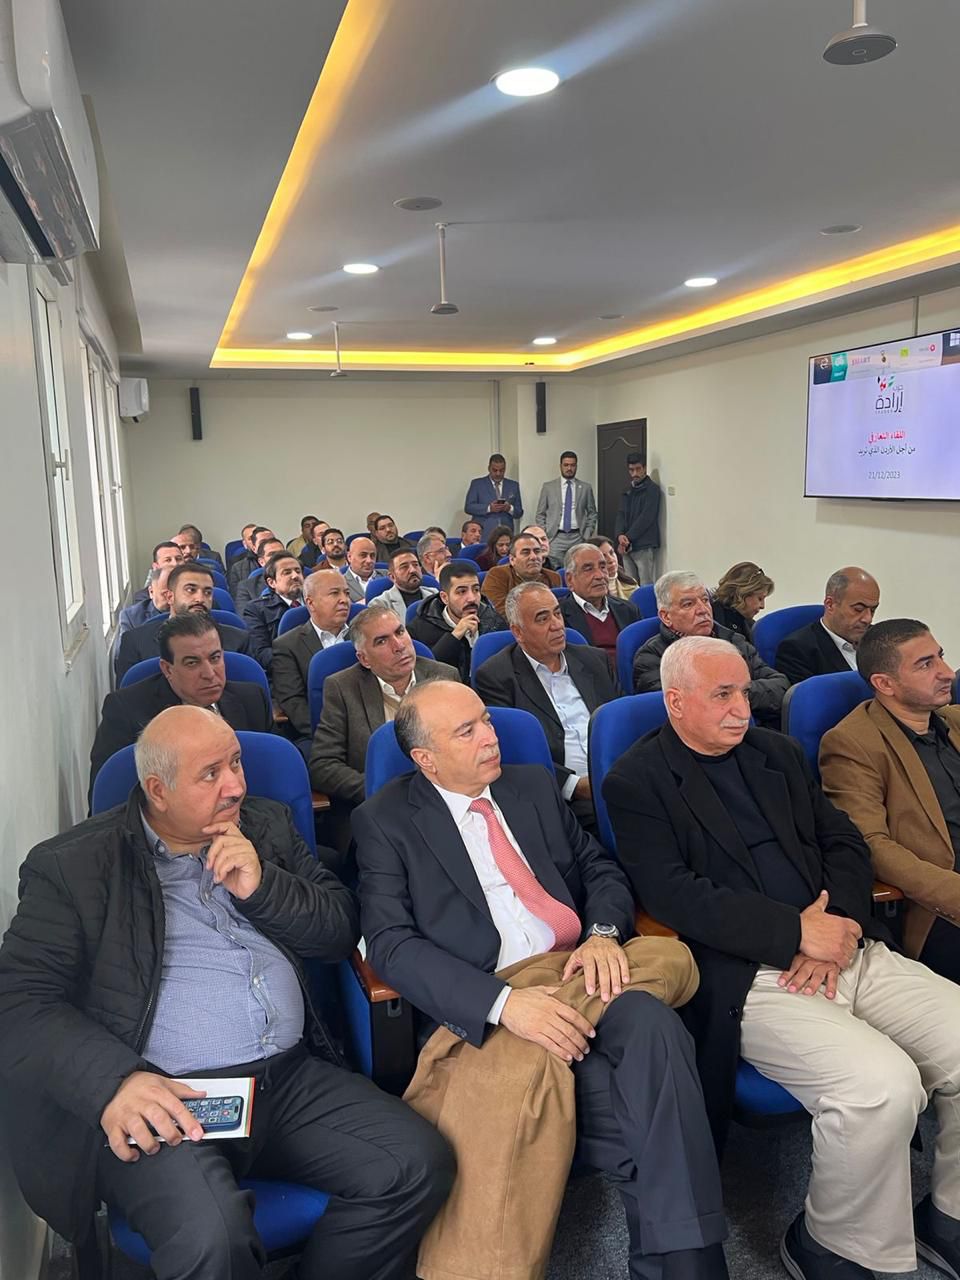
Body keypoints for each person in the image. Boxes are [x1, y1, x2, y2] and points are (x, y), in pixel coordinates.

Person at [0, 705, 453, 1278]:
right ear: (158, 791)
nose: (236, 785)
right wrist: (115, 1083)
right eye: (210, 774)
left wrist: (264, 887)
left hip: (288, 1080)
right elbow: (20, 1002)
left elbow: (339, 927)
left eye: (236, 763)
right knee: (211, 1238)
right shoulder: (74, 865)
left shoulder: (265, 826)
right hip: (166, 1096)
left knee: (416, 1165)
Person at [603, 635, 960, 1280]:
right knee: (880, 1087)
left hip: (845, 945)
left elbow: (844, 841)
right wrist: (794, 934)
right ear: (675, 701)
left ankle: (949, 1216)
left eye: (745, 692)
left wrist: (840, 922)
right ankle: (831, 1244)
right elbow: (673, 894)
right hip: (752, 972)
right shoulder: (637, 780)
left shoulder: (777, 753)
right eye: (723, 695)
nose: (743, 708)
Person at [354, 679, 728, 1280]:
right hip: (497, 999)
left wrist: (603, 934)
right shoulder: (385, 821)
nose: (490, 738)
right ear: (426, 759)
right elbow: (391, 944)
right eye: (467, 731)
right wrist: (505, 1004)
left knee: (649, 1021)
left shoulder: (529, 786)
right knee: (649, 1102)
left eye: (486, 720)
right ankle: (693, 1270)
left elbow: (599, 868)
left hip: (582, 970)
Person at [820, 619, 960, 984]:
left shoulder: (954, 720)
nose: (947, 672)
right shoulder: (852, 744)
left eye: (940, 656)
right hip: (939, 906)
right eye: (926, 664)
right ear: (885, 684)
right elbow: (871, 845)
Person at [308, 603, 458, 856]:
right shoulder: (342, 688)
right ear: (364, 659)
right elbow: (323, 765)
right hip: (383, 812)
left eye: (400, 632)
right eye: (381, 641)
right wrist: (378, 788)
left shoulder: (445, 677)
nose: (398, 646)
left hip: (446, 801)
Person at [475, 582, 619, 829]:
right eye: (542, 619)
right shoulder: (497, 677)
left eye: (557, 613)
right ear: (518, 632)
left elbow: (618, 723)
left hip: (617, 775)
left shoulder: (594, 660)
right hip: (562, 796)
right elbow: (514, 752)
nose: (557, 625)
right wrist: (574, 786)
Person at [91, 613, 272, 807]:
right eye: (192, 663)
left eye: (215, 658)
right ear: (167, 669)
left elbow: (269, 776)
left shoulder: (252, 700)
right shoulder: (126, 710)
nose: (209, 674)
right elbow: (109, 799)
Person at [633, 571, 787, 729]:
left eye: (705, 600)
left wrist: (734, 693)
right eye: (688, 604)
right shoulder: (652, 657)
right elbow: (684, 707)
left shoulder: (734, 641)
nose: (703, 609)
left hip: (750, 730)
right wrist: (736, 693)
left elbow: (780, 686)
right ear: (666, 617)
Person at [116, 563, 251, 682]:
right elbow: (127, 698)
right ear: (170, 597)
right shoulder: (135, 642)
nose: (200, 598)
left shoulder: (238, 640)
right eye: (191, 590)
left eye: (207, 592)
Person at [272, 569, 352, 750]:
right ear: (310, 603)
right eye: (335, 593)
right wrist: (332, 735)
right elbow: (293, 702)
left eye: (347, 593)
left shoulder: (363, 636)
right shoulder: (287, 646)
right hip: (321, 735)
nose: (344, 600)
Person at [775, 567, 881, 684]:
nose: (868, 619)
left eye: (872, 610)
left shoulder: (880, 639)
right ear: (830, 604)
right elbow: (808, 695)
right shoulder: (798, 650)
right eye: (858, 609)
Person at [407, 560, 508, 682]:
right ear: (445, 598)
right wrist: (455, 635)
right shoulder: (419, 629)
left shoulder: (494, 621)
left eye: (476, 590)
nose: (472, 598)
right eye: (462, 592)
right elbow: (424, 673)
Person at [560, 543, 641, 665]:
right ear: (570, 580)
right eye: (588, 569)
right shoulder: (559, 616)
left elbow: (641, 655)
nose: (600, 575)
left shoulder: (628, 610)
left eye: (603, 567)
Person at [242, 551, 305, 674]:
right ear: (272, 582)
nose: (295, 576)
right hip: (285, 673)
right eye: (287, 572)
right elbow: (261, 653)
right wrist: (299, 662)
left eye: (298, 571)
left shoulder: (317, 601)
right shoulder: (256, 609)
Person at [534, 451, 598, 563]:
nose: (569, 468)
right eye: (566, 465)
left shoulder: (585, 488)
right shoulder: (548, 487)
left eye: (572, 465)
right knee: (554, 569)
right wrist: (545, 534)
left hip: (578, 537)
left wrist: (587, 534)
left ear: (576, 466)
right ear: (560, 466)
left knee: (578, 567)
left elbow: (592, 513)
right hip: (555, 537)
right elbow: (540, 513)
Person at [481, 532, 561, 617]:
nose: (534, 557)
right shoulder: (497, 575)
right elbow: (499, 613)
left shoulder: (553, 577)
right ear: (512, 560)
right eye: (526, 552)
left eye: (537, 551)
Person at [614, 453, 661, 585]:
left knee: (645, 583)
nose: (635, 473)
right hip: (626, 544)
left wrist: (627, 537)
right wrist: (619, 535)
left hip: (643, 544)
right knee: (630, 584)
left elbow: (647, 517)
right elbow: (621, 514)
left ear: (645, 468)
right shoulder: (627, 490)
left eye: (638, 469)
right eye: (631, 470)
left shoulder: (652, 490)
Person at [711, 563, 774, 643]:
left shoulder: (751, 626)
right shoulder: (713, 623)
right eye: (760, 599)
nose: (763, 606)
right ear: (742, 594)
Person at [464, 454, 523, 537]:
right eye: (495, 470)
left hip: (506, 535)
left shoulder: (513, 485)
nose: (498, 473)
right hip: (484, 534)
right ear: (489, 468)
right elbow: (468, 507)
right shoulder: (477, 484)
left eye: (501, 470)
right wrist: (489, 508)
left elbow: (519, 512)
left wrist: (509, 508)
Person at [377, 546, 438, 619]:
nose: (413, 570)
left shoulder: (434, 594)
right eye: (404, 567)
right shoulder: (380, 604)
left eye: (415, 565)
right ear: (392, 577)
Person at [235, 536, 286, 611]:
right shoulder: (246, 588)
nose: (278, 557)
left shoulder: (302, 579)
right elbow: (245, 615)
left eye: (282, 553)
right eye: (271, 554)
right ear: (261, 562)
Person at [589, 534, 638, 603]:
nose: (611, 559)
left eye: (611, 553)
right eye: (603, 556)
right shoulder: (590, 591)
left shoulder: (631, 584)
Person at [228, 526, 274, 597]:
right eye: (263, 542)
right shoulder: (238, 568)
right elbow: (239, 598)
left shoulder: (290, 563)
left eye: (272, 541)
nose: (269, 545)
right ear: (254, 547)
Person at [343, 536, 386, 603]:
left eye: (372, 556)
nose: (369, 560)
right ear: (349, 557)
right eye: (363, 555)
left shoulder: (388, 577)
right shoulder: (340, 582)